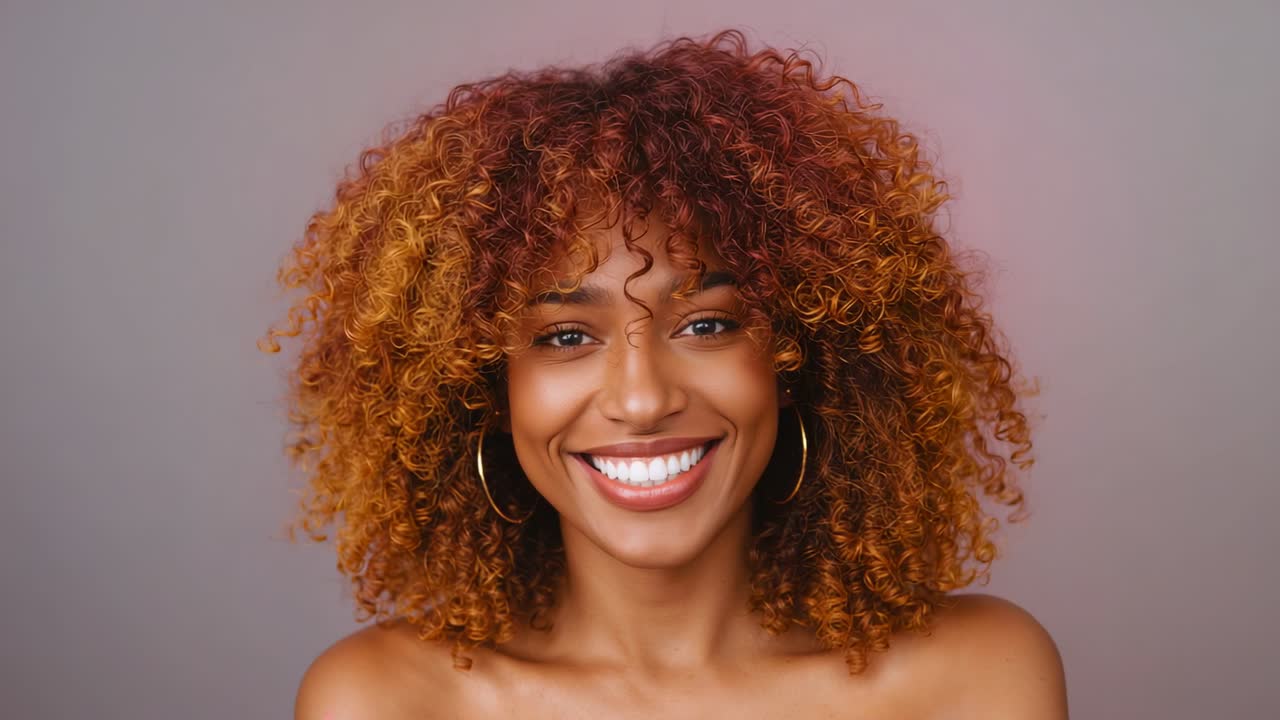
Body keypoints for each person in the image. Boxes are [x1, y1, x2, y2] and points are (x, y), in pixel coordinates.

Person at [261, 28, 1067, 719]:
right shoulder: (386, 702)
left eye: (707, 324)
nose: (642, 400)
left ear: (796, 361)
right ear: (485, 390)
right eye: (567, 336)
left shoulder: (973, 682)